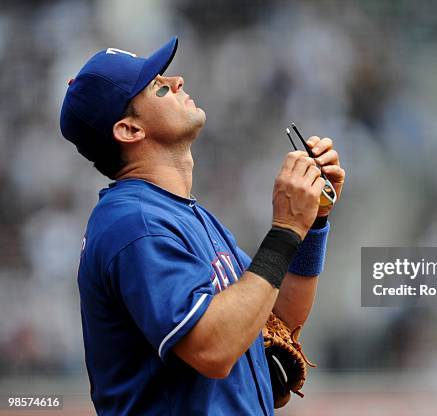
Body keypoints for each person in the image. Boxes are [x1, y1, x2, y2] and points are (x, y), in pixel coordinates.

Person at [59, 36, 344, 415]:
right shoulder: (134, 223)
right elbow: (212, 348)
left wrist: (313, 220)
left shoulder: (181, 214)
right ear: (129, 130)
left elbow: (278, 316)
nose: (176, 81)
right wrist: (285, 228)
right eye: (158, 86)